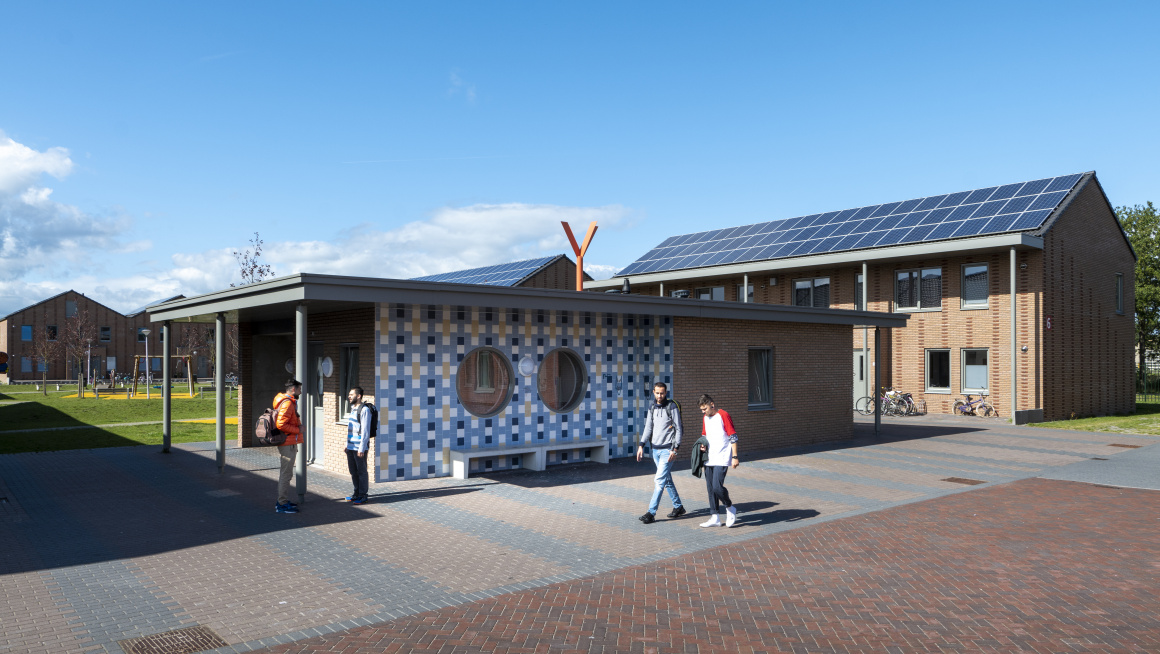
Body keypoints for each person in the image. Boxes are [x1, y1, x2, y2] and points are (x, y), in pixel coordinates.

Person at [636, 381, 684, 524]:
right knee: (666, 480)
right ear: (653, 392)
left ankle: (651, 512)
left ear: (666, 392)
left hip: (667, 450)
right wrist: (641, 445)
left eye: (662, 393)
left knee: (659, 480)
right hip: (655, 450)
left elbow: (679, 429)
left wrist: (675, 449)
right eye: (657, 393)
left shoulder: (672, 406)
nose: (659, 395)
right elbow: (648, 427)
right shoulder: (652, 407)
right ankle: (678, 506)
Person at [697, 394, 739, 528]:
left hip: (722, 457)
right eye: (702, 410)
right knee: (710, 488)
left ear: (712, 404)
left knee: (717, 486)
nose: (703, 412)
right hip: (709, 457)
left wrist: (735, 456)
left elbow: (733, 436)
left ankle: (730, 507)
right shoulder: (705, 418)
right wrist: (703, 445)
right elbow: (704, 435)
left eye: (705, 409)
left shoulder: (723, 415)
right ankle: (715, 517)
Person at [273, 379, 304, 514]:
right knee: (286, 474)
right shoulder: (287, 404)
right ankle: (282, 504)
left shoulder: (288, 402)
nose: (300, 391)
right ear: (293, 389)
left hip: (289, 442)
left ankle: (282, 501)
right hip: (287, 443)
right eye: (299, 389)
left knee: (286, 473)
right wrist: (298, 429)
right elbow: (281, 424)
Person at [344, 386, 372, 505]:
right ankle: (356, 493)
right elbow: (352, 428)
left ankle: (363, 495)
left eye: (351, 394)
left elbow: (365, 431)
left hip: (359, 448)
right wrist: (346, 444)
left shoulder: (364, 410)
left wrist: (361, 448)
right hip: (350, 447)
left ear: (358, 396)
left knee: (361, 472)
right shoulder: (352, 408)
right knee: (353, 471)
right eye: (349, 394)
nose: (349, 396)